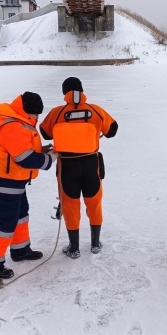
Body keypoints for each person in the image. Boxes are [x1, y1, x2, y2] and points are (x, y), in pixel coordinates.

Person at [0, 91, 59, 279]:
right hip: (1, 184)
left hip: (12, 182)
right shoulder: (13, 126)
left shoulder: (16, 120)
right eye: (35, 114)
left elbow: (21, 148)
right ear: (26, 111)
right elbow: (25, 158)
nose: (37, 118)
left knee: (21, 216)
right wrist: (51, 158)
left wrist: (42, 150)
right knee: (4, 223)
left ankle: (20, 250)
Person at [39, 77, 118, 259]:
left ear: (64, 93)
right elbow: (112, 130)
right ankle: (95, 243)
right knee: (94, 203)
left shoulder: (57, 112)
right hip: (91, 163)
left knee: (70, 205)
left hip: (67, 165)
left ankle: (73, 248)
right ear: (82, 91)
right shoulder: (95, 110)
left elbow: (45, 132)